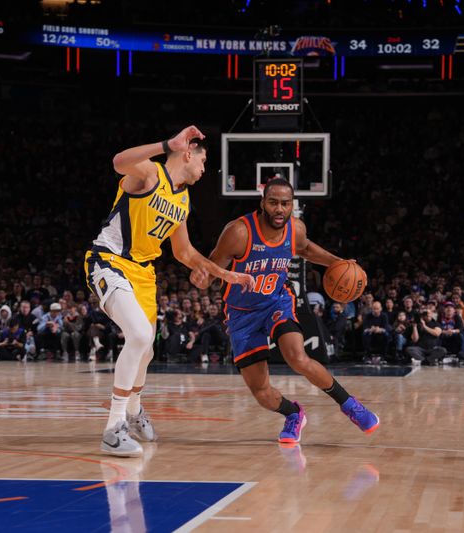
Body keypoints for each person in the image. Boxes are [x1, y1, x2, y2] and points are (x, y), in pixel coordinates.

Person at [84, 126, 254, 456]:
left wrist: (224, 274)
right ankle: (113, 427)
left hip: (143, 274)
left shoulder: (183, 199)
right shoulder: (151, 173)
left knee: (146, 351)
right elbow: (119, 161)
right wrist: (165, 145)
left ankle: (133, 410)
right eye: (203, 160)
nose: (205, 169)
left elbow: (184, 252)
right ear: (187, 154)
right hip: (109, 260)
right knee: (138, 335)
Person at [190, 178, 379, 444]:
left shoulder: (295, 229)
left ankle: (350, 405)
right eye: (274, 202)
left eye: (285, 203)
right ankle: (293, 414)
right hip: (241, 313)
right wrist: (203, 277)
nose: (280, 208)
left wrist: (338, 262)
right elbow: (212, 267)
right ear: (263, 203)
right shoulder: (239, 232)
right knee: (262, 392)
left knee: (297, 357)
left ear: (292, 205)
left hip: (276, 301)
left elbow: (306, 249)